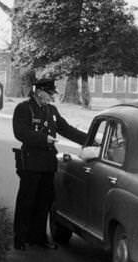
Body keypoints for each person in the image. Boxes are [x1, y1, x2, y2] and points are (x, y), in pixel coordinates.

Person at [12, 77, 87, 250]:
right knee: (27, 201)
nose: (51, 97)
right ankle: (21, 237)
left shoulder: (51, 110)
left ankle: (38, 237)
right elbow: (20, 133)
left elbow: (66, 129)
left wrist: (89, 141)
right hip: (31, 162)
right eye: (49, 93)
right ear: (39, 92)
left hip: (47, 164)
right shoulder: (24, 108)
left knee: (44, 202)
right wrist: (43, 139)